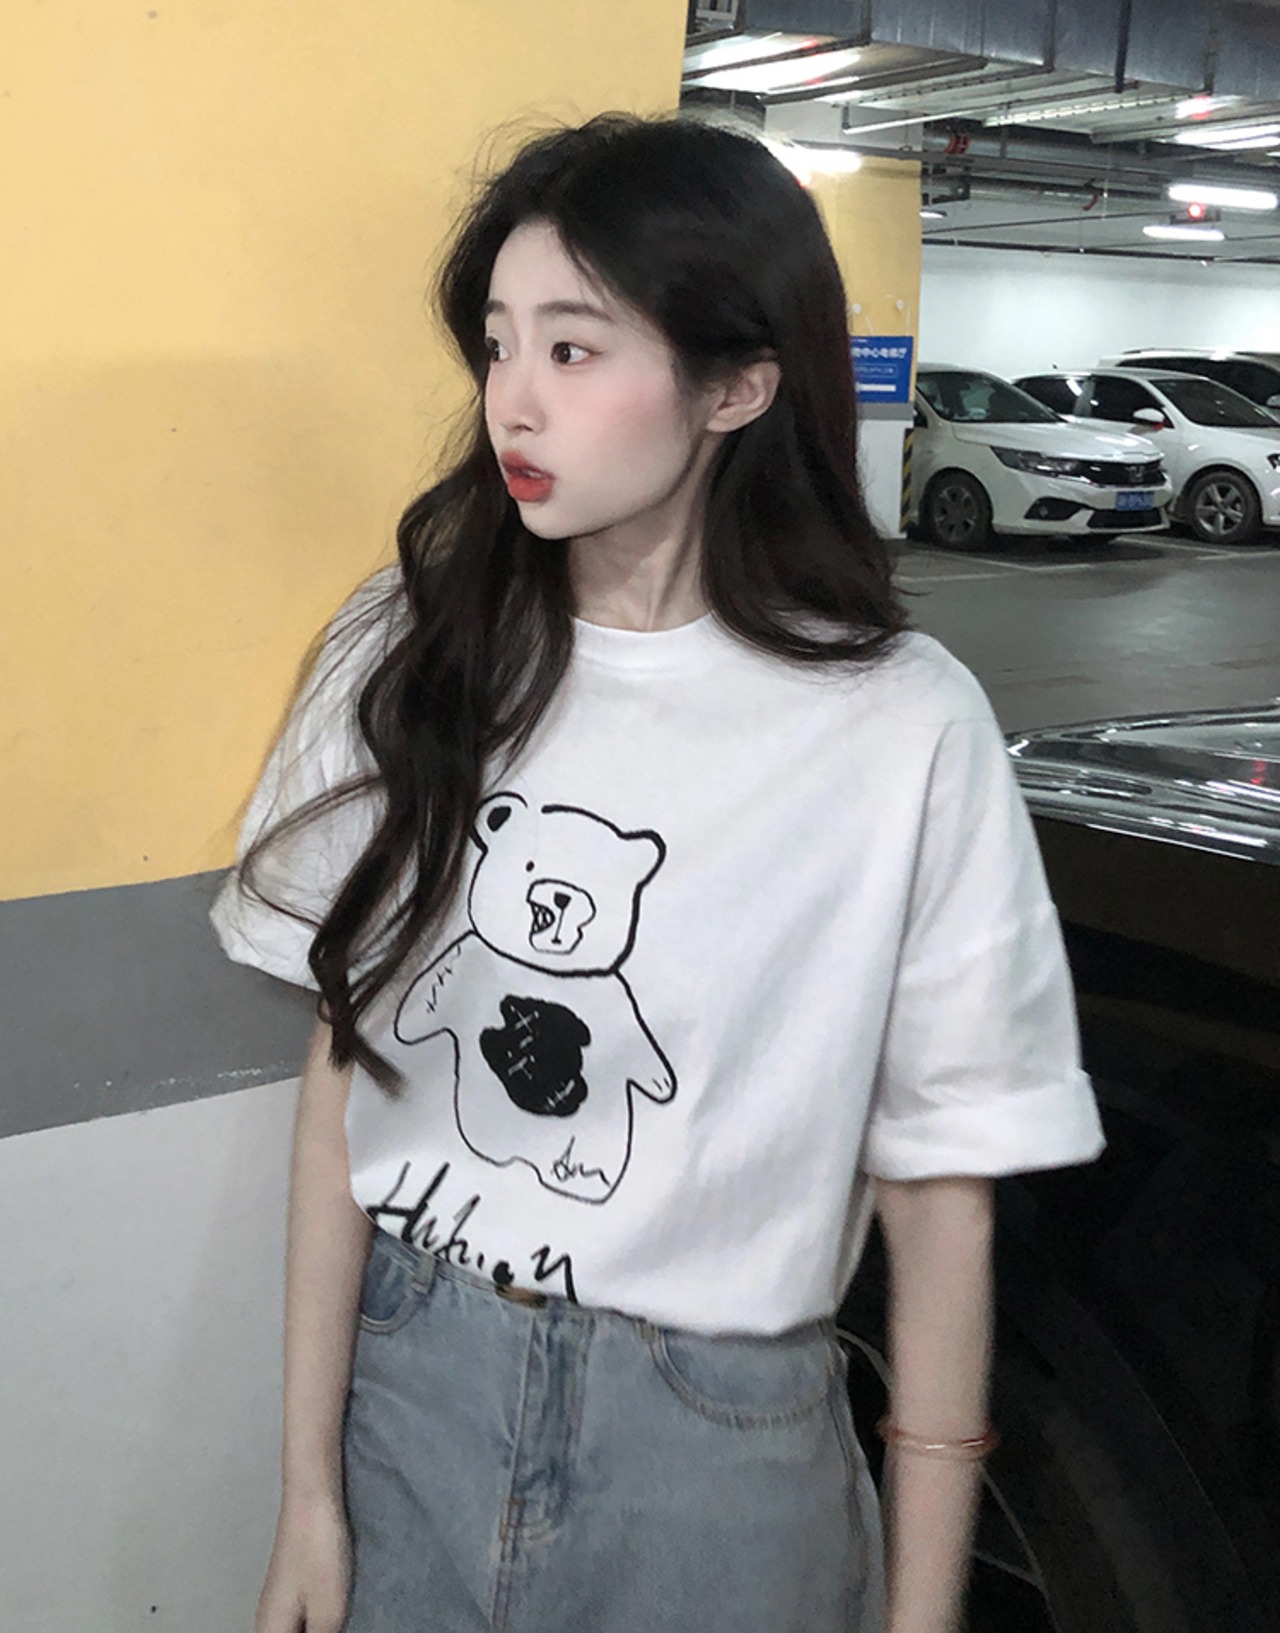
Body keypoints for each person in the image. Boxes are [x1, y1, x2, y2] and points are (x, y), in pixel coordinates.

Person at [212, 113, 1104, 1633]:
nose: (513, 400)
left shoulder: (902, 725)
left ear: (736, 386)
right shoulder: (417, 644)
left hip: (715, 1446)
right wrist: (306, 1490)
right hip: (415, 1388)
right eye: (498, 345)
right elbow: (342, 1072)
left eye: (574, 349)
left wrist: (922, 1608)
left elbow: (939, 1190)